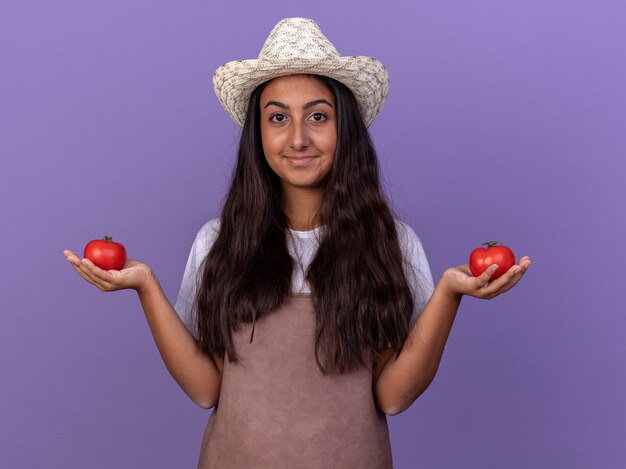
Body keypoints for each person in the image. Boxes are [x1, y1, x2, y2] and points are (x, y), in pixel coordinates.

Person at [63, 17, 531, 469]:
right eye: (278, 117)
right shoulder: (219, 242)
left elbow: (393, 396)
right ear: (258, 134)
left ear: (344, 129)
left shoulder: (391, 244)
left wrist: (450, 292)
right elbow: (208, 389)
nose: (298, 138)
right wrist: (145, 286)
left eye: (318, 116)